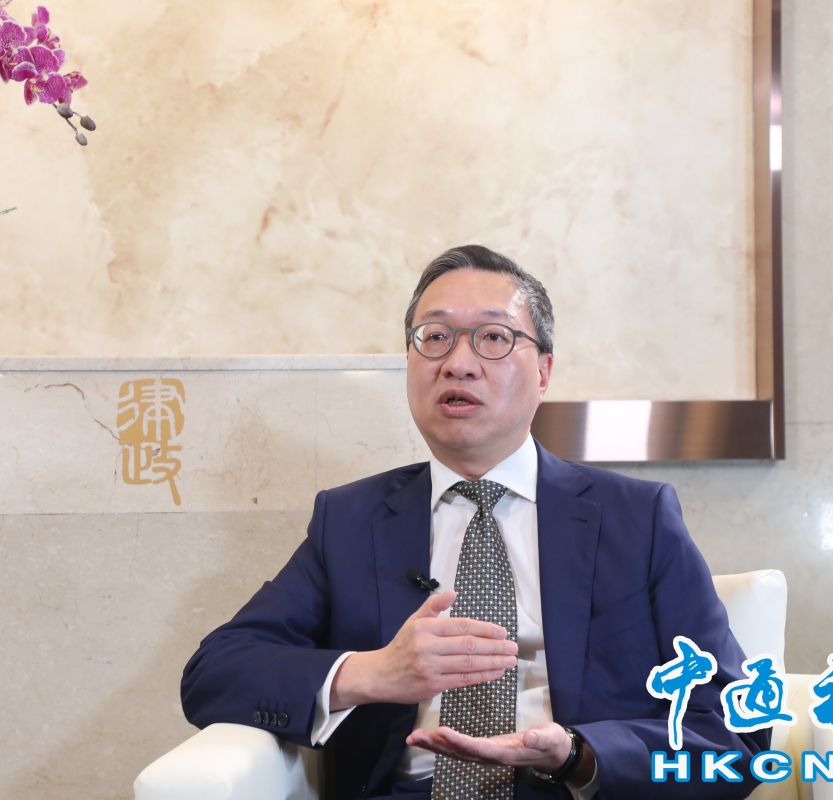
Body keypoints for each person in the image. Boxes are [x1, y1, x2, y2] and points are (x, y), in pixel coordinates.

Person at [181, 245, 768, 800]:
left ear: (544, 372)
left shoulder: (637, 519)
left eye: (493, 337)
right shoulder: (351, 521)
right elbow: (215, 671)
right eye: (435, 337)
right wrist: (371, 672)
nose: (458, 364)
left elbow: (738, 732)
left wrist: (580, 754)